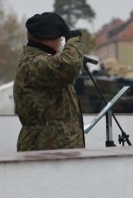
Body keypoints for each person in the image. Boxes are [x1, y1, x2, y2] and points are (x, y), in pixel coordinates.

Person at [13, 12, 85, 151]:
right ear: (48, 39)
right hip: (47, 148)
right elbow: (70, 65)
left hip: (54, 147)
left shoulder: (38, 61)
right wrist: (73, 40)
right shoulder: (33, 64)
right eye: (60, 38)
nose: (61, 42)